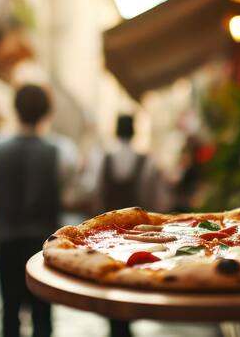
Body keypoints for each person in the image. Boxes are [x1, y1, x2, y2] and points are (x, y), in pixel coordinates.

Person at [0, 84, 73, 337]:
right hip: (44, 244)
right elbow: (78, 193)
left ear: (15, 110)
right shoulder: (62, 152)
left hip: (6, 240)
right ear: (47, 113)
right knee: (43, 312)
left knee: (9, 310)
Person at [96, 114, 165, 337]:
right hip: (137, 238)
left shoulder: (104, 159)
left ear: (116, 131)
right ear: (134, 132)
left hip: (106, 237)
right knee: (131, 282)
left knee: (110, 283)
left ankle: (117, 327)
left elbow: (96, 196)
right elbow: (155, 203)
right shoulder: (146, 161)